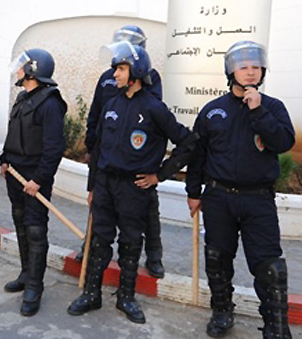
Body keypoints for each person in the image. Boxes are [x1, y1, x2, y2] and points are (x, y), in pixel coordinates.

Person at [68, 41, 197, 324]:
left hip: (133, 188)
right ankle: (91, 293)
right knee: (99, 240)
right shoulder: (111, 104)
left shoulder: (154, 107)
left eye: (121, 69)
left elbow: (188, 142)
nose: (114, 74)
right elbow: (98, 149)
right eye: (115, 68)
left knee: (130, 243)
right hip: (105, 184)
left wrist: (159, 175)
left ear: (136, 72)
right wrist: (93, 186)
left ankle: (126, 297)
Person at [185, 41, 295, 339]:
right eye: (243, 67)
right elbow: (198, 155)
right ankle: (222, 312)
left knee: (271, 268)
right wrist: (193, 192)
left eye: (256, 67)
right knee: (217, 259)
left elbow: (282, 142)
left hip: (258, 200)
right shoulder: (213, 111)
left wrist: (258, 111)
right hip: (218, 198)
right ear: (230, 71)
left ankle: (276, 327)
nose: (250, 72)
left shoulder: (273, 107)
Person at [77, 25, 166, 279]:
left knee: (148, 208)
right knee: (99, 203)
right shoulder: (107, 76)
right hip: (107, 150)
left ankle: (154, 255)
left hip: (137, 156)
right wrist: (91, 146)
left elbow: (152, 114)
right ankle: (89, 245)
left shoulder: (150, 77)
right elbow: (95, 113)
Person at [0, 48, 67, 316]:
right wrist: (4, 159)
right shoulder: (22, 98)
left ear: (32, 70)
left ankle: (34, 287)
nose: (18, 69)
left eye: (22, 65)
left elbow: (54, 148)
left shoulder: (50, 103)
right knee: (20, 223)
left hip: (34, 177)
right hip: (15, 174)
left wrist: (39, 179)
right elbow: (13, 132)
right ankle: (26, 273)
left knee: (36, 230)